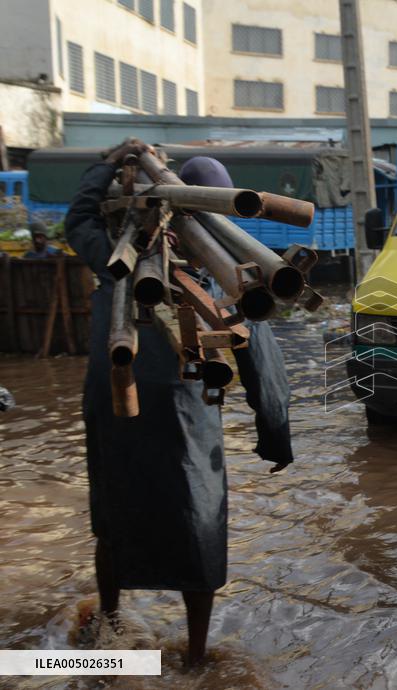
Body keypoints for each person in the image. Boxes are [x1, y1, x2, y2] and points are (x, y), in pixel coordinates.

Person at [65, 139, 294, 665]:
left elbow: (78, 219)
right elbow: (261, 362)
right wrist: (274, 434)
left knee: (115, 515)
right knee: (199, 523)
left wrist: (106, 161)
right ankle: (194, 657)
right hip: (183, 419)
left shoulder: (116, 260)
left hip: (112, 404)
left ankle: (111, 631)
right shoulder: (222, 278)